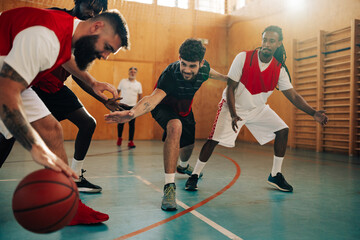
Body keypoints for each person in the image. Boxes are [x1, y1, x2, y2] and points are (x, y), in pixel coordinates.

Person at [0, 7, 129, 225]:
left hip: (13, 76)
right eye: (107, 47)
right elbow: (6, 92)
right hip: (6, 78)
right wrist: (36, 147)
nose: (105, 56)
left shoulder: (69, 29)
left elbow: (64, 56)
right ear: (96, 26)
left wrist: (92, 82)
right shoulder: (45, 35)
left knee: (51, 130)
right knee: (9, 135)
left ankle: (67, 205)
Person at [184, 25, 328, 193]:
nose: (267, 44)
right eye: (264, 40)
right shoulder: (243, 58)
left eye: (271, 41)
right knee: (213, 140)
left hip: (257, 109)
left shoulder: (279, 69)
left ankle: (275, 174)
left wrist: (313, 112)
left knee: (282, 130)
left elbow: (293, 96)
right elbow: (230, 87)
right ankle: (194, 175)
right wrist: (233, 114)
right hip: (232, 107)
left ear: (279, 44)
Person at [105, 38, 230, 211]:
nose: (186, 70)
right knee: (175, 127)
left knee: (188, 147)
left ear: (201, 63)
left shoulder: (204, 68)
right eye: (183, 64)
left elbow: (209, 73)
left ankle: (183, 166)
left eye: (192, 66)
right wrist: (131, 114)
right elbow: (152, 99)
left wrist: (226, 78)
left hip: (184, 109)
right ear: (179, 58)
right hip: (163, 106)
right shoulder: (170, 74)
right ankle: (169, 188)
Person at [116, 66, 143, 148]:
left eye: (134, 72)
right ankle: (119, 138)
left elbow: (140, 97)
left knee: (132, 124)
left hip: (133, 107)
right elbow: (117, 92)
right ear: (128, 72)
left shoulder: (138, 84)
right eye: (131, 71)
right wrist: (115, 102)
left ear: (136, 73)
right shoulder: (123, 81)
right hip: (122, 105)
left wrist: (139, 107)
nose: (132, 73)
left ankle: (130, 141)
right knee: (120, 123)